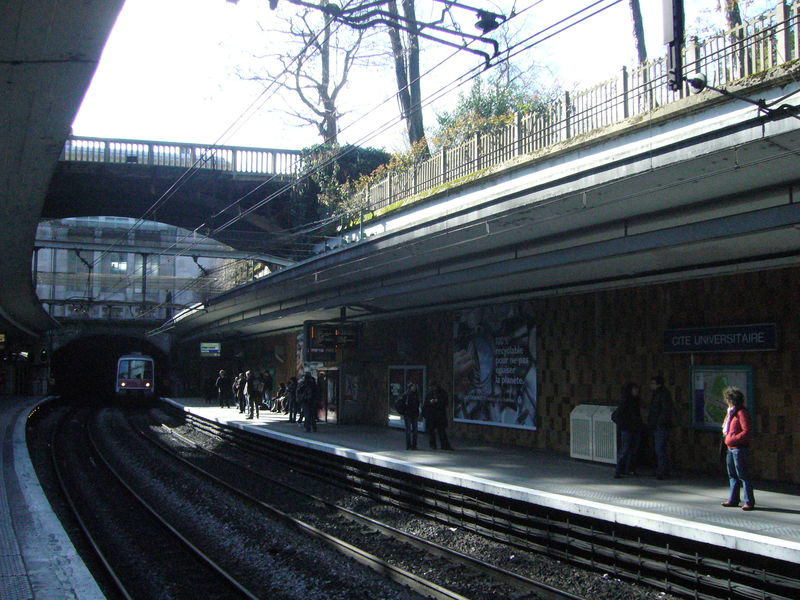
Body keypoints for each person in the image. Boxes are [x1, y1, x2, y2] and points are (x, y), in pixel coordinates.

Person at [720, 386, 755, 511]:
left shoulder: (741, 413)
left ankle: (749, 501)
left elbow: (747, 431)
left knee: (743, 475)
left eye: (727, 399)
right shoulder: (731, 412)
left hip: (739, 448)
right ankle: (734, 499)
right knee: (732, 474)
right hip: (730, 448)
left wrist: (733, 439)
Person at [613, 382, 643, 478]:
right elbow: (615, 415)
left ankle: (626, 469)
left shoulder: (634, 401)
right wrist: (624, 425)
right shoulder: (626, 401)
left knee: (630, 450)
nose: (637, 391)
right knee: (626, 450)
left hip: (632, 428)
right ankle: (621, 470)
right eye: (635, 389)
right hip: (629, 429)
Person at [648, 375, 674, 479]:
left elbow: (664, 411)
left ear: (658, 384)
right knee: (661, 449)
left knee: (660, 449)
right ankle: (663, 469)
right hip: (660, 425)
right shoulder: (660, 394)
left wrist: (658, 423)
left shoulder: (661, 395)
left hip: (660, 425)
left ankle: (662, 471)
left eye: (653, 383)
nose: (651, 385)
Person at [422, 382, 453, 450]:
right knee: (435, 431)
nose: (432, 388)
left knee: (440, 431)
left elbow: (445, 402)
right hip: (434, 415)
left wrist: (436, 401)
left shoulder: (440, 393)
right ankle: (437, 445)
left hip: (438, 415)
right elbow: (426, 403)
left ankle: (441, 445)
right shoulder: (431, 393)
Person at [399, 382, 421, 450]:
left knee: (415, 430)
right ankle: (409, 445)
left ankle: (414, 445)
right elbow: (402, 403)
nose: (414, 388)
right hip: (408, 414)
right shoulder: (406, 395)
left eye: (414, 387)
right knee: (409, 430)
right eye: (413, 387)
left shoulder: (416, 395)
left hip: (414, 414)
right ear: (410, 387)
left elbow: (418, 404)